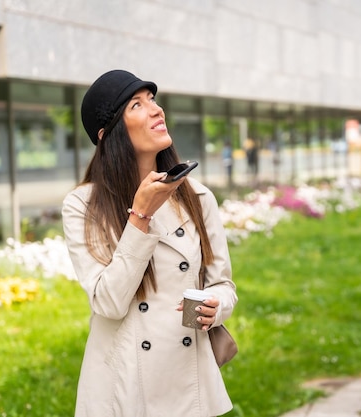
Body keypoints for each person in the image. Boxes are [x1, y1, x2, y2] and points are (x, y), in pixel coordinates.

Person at [62, 69, 237, 416]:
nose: (156, 110)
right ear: (107, 135)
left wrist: (216, 307)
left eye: (153, 100)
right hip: (125, 387)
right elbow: (109, 302)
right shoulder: (83, 205)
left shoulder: (198, 197)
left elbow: (223, 284)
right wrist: (139, 217)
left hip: (188, 384)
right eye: (136, 105)